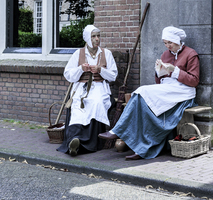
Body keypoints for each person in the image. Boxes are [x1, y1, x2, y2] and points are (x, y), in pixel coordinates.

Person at [98, 26, 199, 160]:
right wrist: (159, 72)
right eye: (165, 43)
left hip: (183, 91)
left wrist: (174, 70)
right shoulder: (165, 54)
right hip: (167, 90)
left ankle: (118, 131)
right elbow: (159, 82)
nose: (168, 46)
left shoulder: (190, 54)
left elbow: (194, 80)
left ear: (177, 41)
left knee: (142, 91)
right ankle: (140, 147)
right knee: (140, 100)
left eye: (170, 43)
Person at [57, 25, 118, 156]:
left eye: (98, 36)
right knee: (78, 105)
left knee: (95, 102)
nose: (97, 39)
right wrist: (80, 69)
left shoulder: (106, 53)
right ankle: (75, 140)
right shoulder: (77, 54)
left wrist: (101, 70)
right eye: (93, 36)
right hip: (81, 87)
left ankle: (85, 142)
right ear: (87, 38)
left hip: (99, 86)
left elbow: (113, 76)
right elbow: (68, 75)